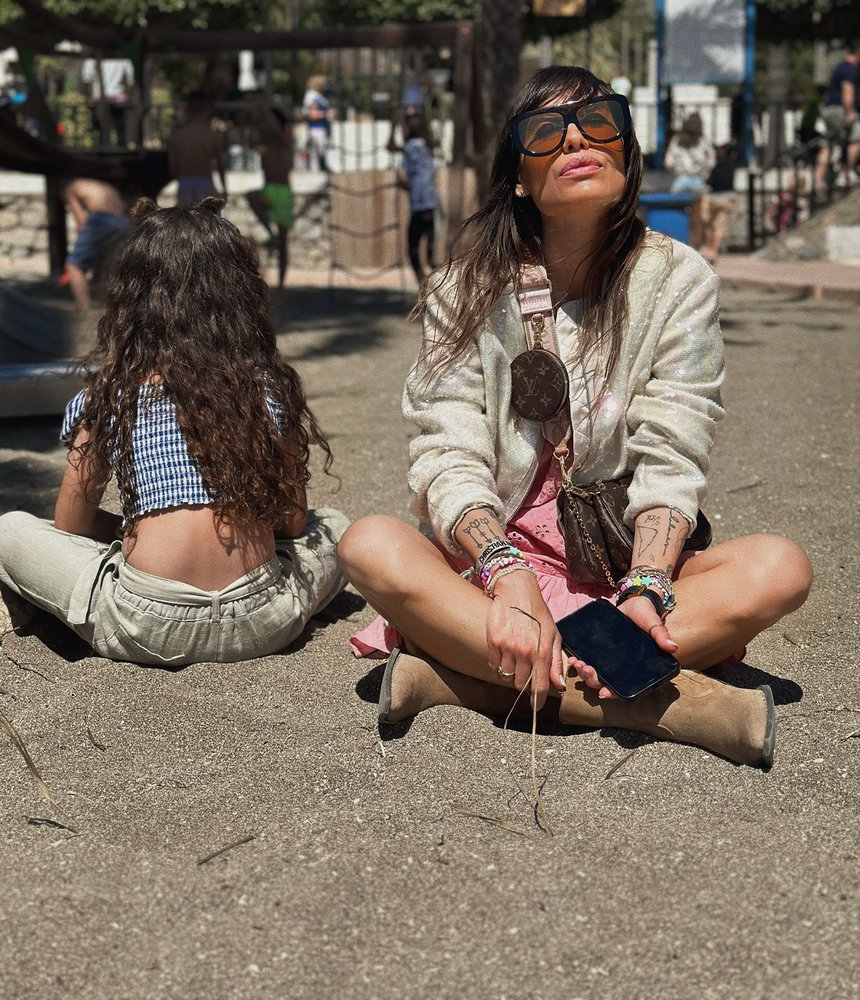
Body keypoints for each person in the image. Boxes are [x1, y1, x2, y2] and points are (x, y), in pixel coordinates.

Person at [337, 66, 812, 768]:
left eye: (599, 121)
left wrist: (647, 588)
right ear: (520, 179)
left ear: (626, 152)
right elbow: (448, 449)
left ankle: (468, 682)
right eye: (543, 131)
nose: (574, 141)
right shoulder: (464, 289)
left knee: (781, 568)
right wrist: (508, 573)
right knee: (369, 545)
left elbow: (673, 448)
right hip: (493, 570)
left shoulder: (677, 280)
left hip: (624, 573)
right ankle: (657, 701)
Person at [0, 198, 350, 665]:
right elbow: (294, 523)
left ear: (132, 301)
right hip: (264, 619)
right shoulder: (266, 389)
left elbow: (70, 526)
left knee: (9, 528)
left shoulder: (113, 395)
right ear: (240, 295)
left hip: (148, 625)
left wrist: (141, 528)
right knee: (335, 527)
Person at [61, 177, 132, 311]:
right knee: (113, 263)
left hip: (101, 219)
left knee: (74, 265)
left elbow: (81, 221)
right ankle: (118, 306)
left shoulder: (71, 187)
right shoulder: (101, 184)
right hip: (124, 220)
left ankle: (83, 307)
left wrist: (82, 236)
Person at [388, 111, 441, 286]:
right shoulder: (426, 146)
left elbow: (390, 147)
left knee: (413, 248)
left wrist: (392, 126)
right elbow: (421, 176)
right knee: (428, 250)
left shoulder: (413, 146)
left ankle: (424, 283)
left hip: (421, 204)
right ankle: (428, 283)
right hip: (430, 202)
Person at [247, 99, 296, 288]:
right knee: (252, 197)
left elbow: (276, 129)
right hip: (268, 190)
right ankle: (270, 234)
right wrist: (254, 121)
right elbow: (251, 144)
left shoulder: (285, 139)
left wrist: (264, 107)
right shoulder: (265, 144)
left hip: (283, 192)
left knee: (284, 242)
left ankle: (282, 283)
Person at [664, 112, 716, 250]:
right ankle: (697, 244)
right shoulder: (703, 141)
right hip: (698, 181)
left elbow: (668, 162)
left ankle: (677, 240)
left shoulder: (677, 140)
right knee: (699, 215)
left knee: (675, 211)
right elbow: (711, 161)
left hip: (679, 181)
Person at [167, 91, 228, 209]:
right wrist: (225, 189)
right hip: (206, 183)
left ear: (187, 110)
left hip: (185, 183)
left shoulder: (178, 135)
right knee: (208, 224)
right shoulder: (213, 135)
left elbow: (173, 165)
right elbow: (220, 164)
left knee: (187, 224)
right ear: (208, 110)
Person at [814, 41, 860, 193]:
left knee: (828, 144)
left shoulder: (840, 67)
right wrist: (849, 113)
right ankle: (845, 173)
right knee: (857, 137)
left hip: (828, 110)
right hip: (839, 110)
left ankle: (819, 182)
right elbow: (847, 92)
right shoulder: (849, 70)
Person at [81, 57, 135, 148]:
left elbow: (86, 78)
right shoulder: (123, 58)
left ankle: (101, 154)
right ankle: (121, 155)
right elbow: (131, 80)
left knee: (100, 134)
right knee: (121, 133)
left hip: (98, 99)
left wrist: (87, 99)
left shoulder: (92, 57)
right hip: (118, 99)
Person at [700, 143, 738, 264]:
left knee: (709, 223)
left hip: (714, 198)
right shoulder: (732, 165)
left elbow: (710, 181)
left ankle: (708, 248)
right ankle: (714, 252)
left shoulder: (717, 166)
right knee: (720, 226)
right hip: (727, 199)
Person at [301, 75, 333, 172]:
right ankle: (315, 173)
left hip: (322, 128)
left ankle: (319, 171)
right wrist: (327, 114)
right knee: (316, 154)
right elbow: (312, 114)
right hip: (316, 128)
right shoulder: (312, 96)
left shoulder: (318, 96)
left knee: (321, 152)